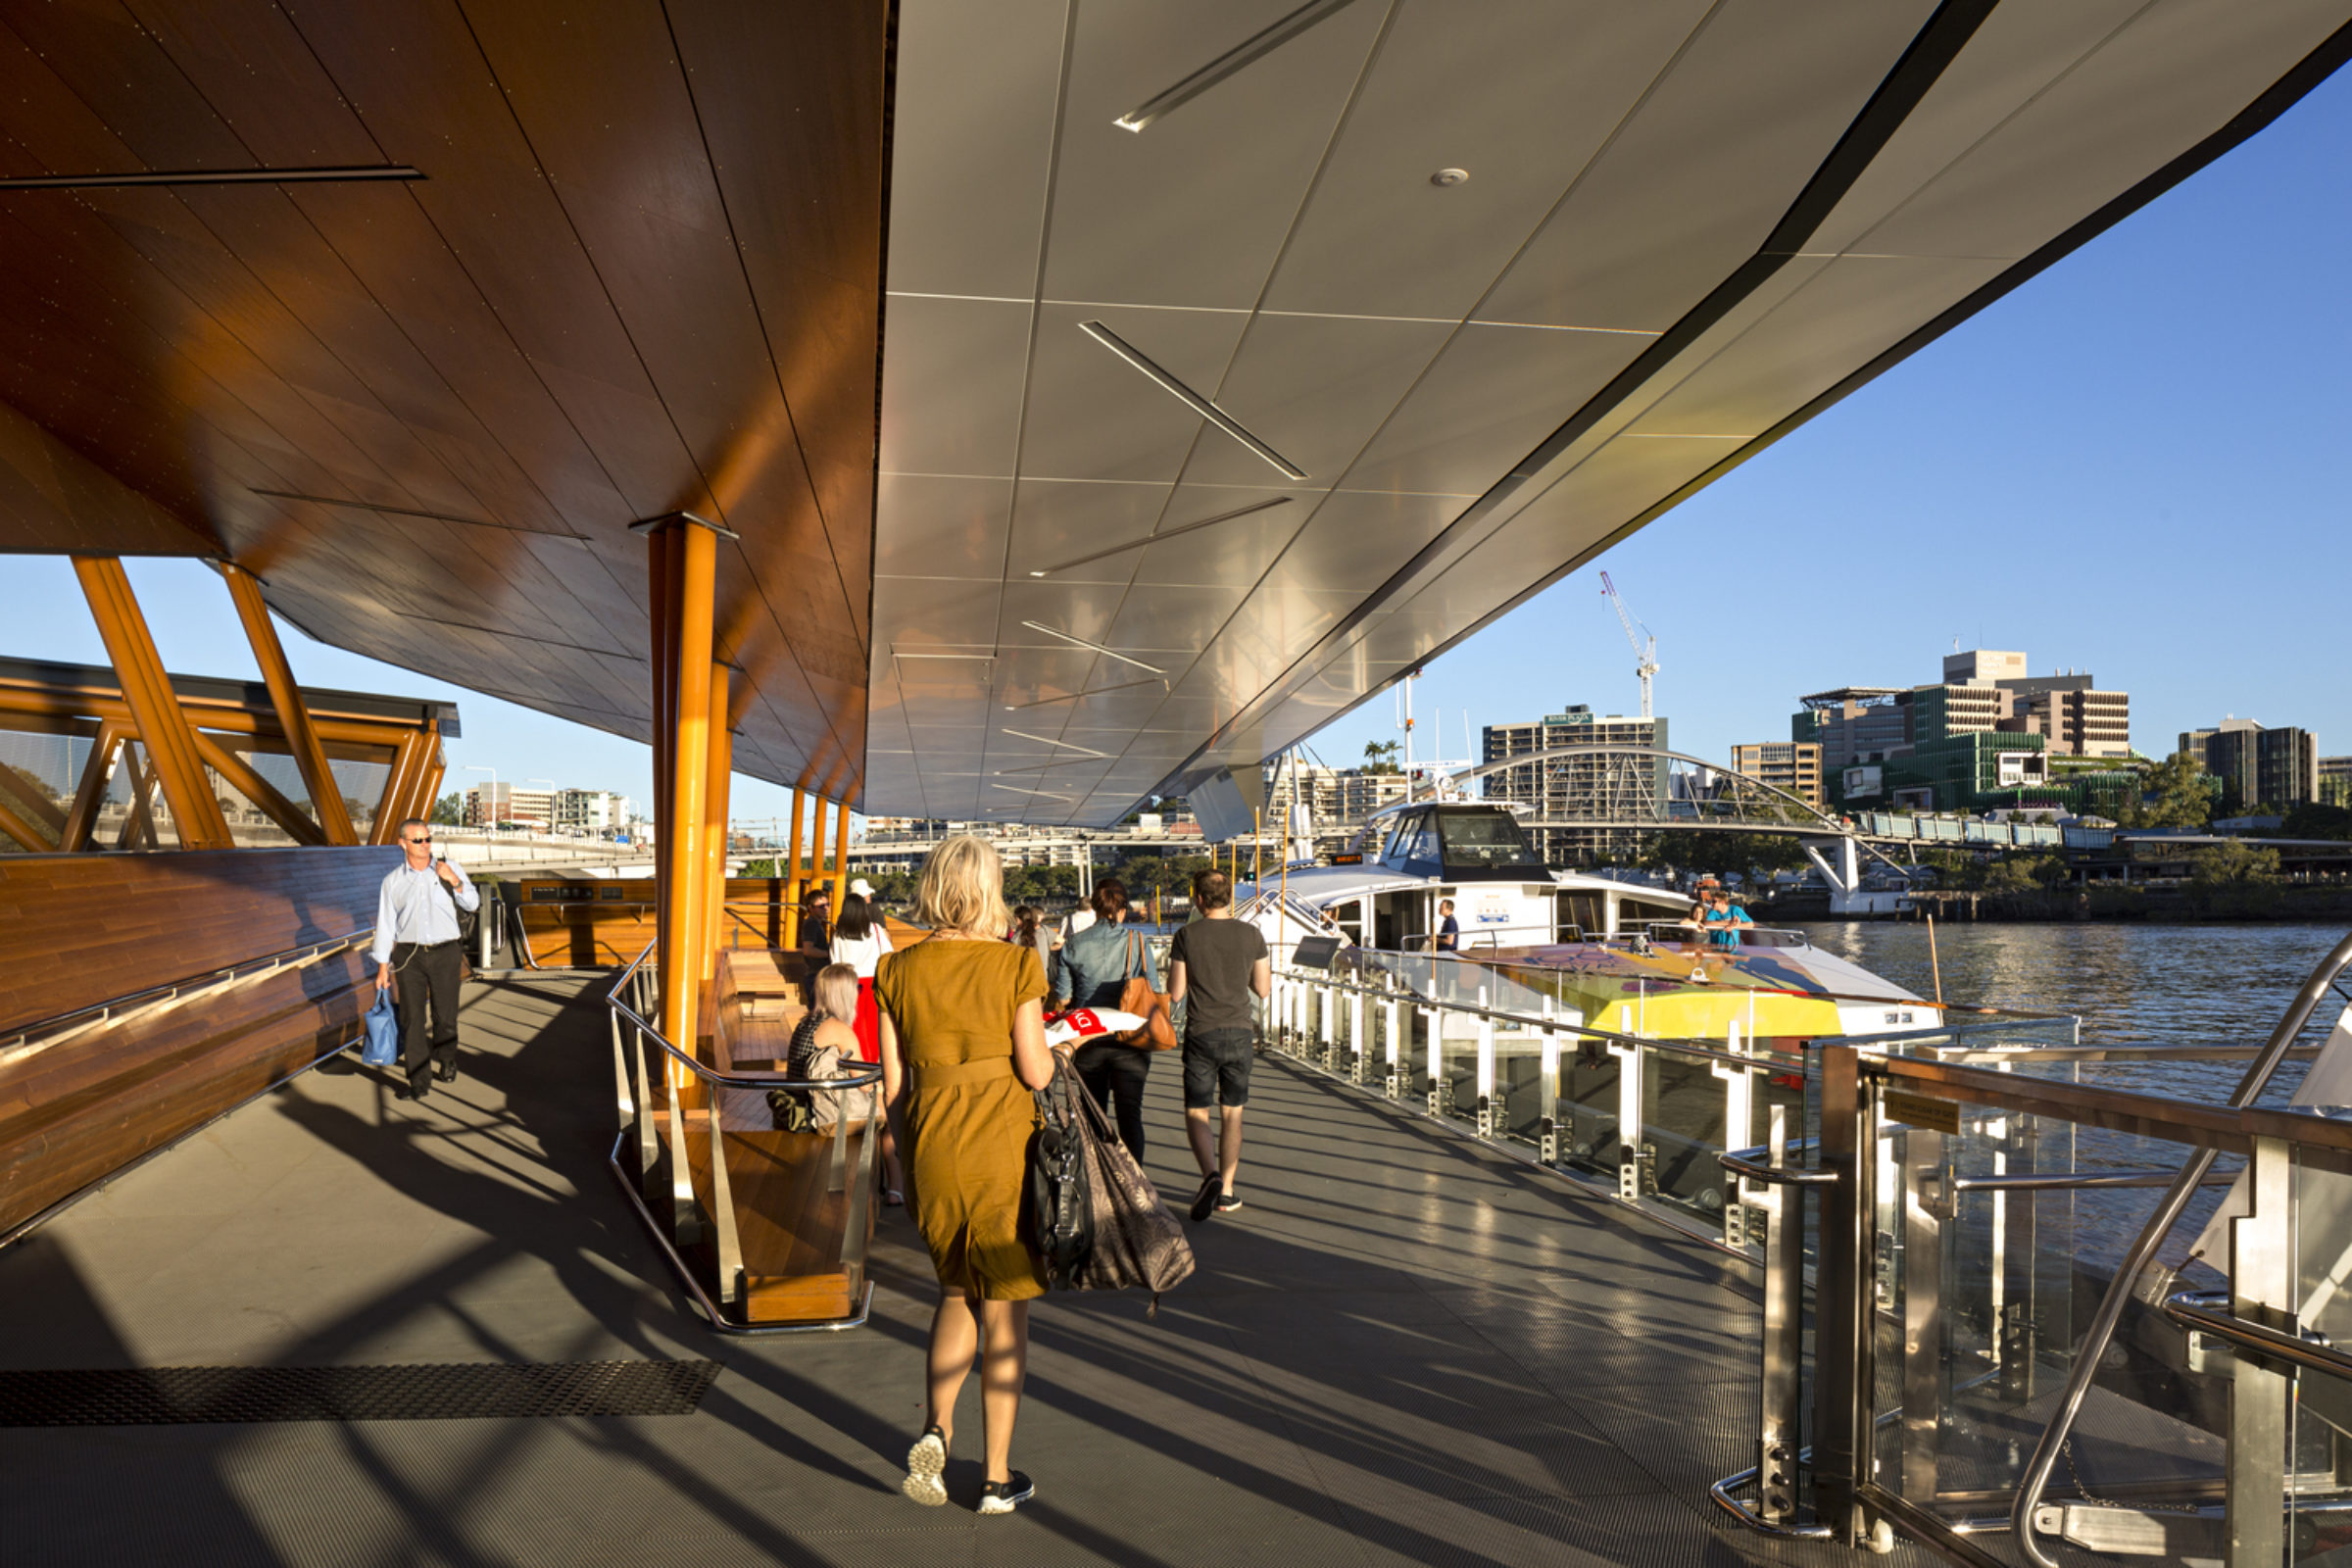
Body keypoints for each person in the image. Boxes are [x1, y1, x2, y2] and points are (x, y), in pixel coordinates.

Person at [877, 835, 1061, 1516]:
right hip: (999, 1149)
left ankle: (937, 1428)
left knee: (955, 1292)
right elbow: (1036, 1071)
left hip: (931, 1149)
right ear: (991, 890)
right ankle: (995, 1478)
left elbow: (892, 1088)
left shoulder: (895, 970)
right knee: (1005, 1309)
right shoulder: (1015, 964)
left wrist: (905, 1162)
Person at [1168, 868, 1269, 1220]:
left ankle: (1208, 1174)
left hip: (1201, 1033)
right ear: (1230, 898)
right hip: (1240, 1031)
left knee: (1197, 1109)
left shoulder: (1185, 935)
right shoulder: (1252, 934)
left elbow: (1176, 993)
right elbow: (1263, 989)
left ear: (1198, 899)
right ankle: (1226, 1190)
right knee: (1233, 1111)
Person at [370, 817, 479, 1102]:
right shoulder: (392, 881)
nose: (425, 845)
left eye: (428, 839)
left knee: (445, 1016)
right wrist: (382, 966)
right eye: (418, 840)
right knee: (411, 1019)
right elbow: (386, 924)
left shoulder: (449, 868)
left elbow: (473, 903)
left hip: (446, 951)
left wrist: (453, 881)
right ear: (403, 843)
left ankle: (446, 1058)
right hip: (409, 955)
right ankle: (419, 1080)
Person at [1052, 878, 1157, 1161]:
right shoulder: (1137, 941)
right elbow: (1155, 989)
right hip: (1130, 1040)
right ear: (1122, 910)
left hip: (1087, 1040)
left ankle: (1096, 1181)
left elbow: (1062, 997)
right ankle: (1135, 1186)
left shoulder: (1072, 945)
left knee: (1091, 1114)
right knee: (1130, 1115)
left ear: (1095, 910)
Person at [828, 893, 903, 1201]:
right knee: (876, 1038)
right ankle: (879, 1080)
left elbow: (833, 962)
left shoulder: (837, 933)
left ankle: (862, 1083)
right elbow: (889, 956)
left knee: (854, 1035)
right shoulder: (874, 930)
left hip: (850, 987)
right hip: (874, 987)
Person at [1703, 888, 1754, 952]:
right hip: (1715, 949)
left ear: (1722, 902)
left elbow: (1750, 924)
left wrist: (1734, 926)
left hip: (1732, 948)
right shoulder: (1712, 912)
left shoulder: (1735, 910)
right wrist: (1729, 922)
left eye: (1714, 902)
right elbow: (1706, 923)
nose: (1711, 904)